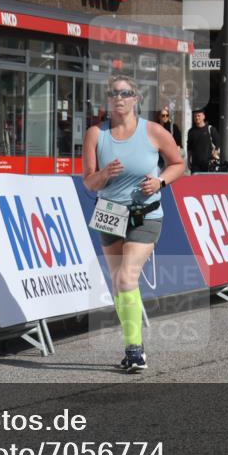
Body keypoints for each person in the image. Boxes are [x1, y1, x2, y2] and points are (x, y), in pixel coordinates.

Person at [82, 75, 184, 373]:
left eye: (126, 93)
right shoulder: (95, 134)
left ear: (136, 98)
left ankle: (135, 350)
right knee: (118, 283)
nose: (119, 98)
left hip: (145, 214)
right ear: (108, 99)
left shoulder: (154, 132)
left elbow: (178, 163)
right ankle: (132, 346)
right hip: (110, 214)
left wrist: (160, 181)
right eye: (114, 93)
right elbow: (89, 182)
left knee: (127, 277)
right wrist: (105, 175)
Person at [186, 108, 220, 173]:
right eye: (195, 116)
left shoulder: (210, 129)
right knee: (195, 183)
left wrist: (214, 156)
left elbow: (218, 143)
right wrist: (188, 161)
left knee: (208, 183)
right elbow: (189, 148)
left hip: (209, 165)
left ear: (203, 116)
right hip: (195, 165)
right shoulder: (191, 131)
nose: (197, 118)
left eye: (199, 115)